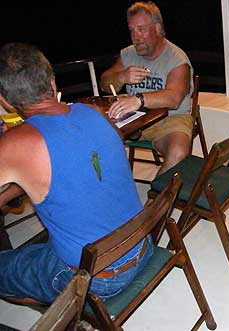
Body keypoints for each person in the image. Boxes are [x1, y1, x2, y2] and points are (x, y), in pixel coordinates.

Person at [0, 43, 153, 304]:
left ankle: (60, 310)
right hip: (142, 245)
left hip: (99, 279)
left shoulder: (16, 143)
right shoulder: (93, 112)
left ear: (4, 101)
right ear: (52, 81)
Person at [100, 1, 194, 175]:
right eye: (132, 30)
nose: (135, 36)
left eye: (141, 29)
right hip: (134, 120)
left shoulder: (177, 59)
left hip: (171, 120)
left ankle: (156, 201)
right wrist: (121, 76)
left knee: (178, 152)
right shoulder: (128, 54)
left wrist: (139, 99)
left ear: (157, 29)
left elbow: (174, 98)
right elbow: (105, 84)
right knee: (91, 142)